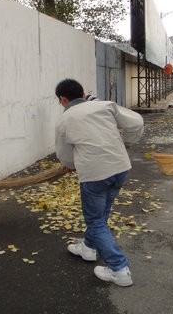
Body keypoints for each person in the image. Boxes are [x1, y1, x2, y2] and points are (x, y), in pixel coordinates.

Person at [54, 79, 144, 286]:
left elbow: (64, 154)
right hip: (120, 168)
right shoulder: (105, 106)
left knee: (95, 221)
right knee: (102, 213)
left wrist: (71, 165)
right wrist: (127, 142)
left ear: (63, 99)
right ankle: (88, 247)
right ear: (83, 94)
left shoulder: (64, 120)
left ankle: (119, 269)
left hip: (95, 174)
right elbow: (137, 122)